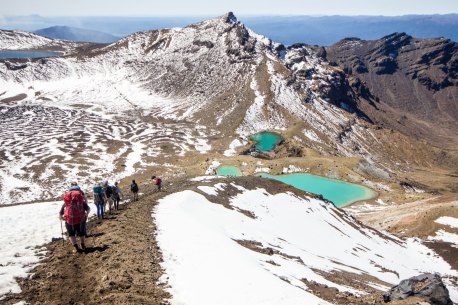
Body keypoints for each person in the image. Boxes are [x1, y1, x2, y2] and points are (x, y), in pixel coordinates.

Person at [60, 183, 90, 253]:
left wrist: (61, 217)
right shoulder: (81, 201)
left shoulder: (67, 202)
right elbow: (88, 209)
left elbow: (61, 212)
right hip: (80, 219)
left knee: (71, 234)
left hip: (69, 220)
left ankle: (76, 247)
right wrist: (86, 214)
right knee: (81, 233)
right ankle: (82, 244)